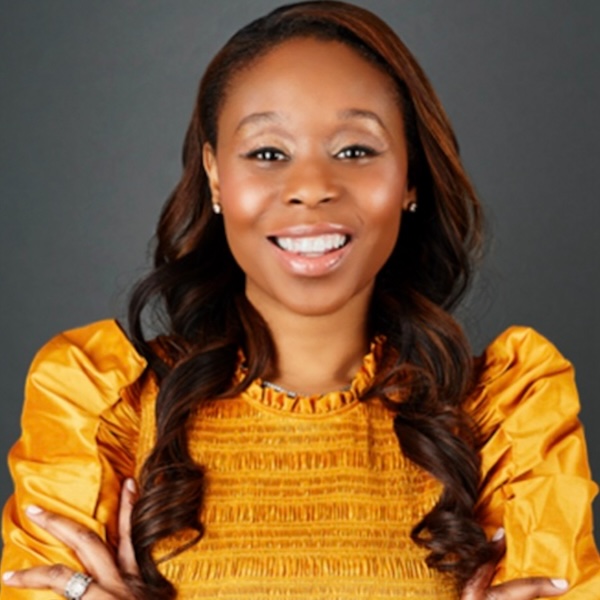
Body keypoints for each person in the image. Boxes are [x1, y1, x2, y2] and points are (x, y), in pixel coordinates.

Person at [1, 1, 599, 598]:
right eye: (267, 153)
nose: (312, 188)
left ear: (410, 176)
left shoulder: (509, 423)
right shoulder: (99, 409)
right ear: (214, 175)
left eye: (355, 150)